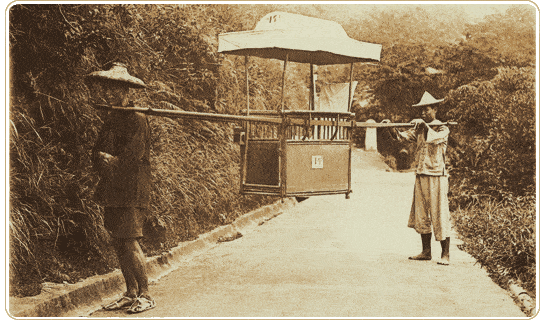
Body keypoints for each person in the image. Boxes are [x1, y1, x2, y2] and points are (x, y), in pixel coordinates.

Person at [86, 62, 156, 313]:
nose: (110, 93)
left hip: (133, 187)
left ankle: (146, 294)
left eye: (116, 89)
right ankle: (130, 291)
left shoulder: (138, 118)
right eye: (108, 89)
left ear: (128, 92)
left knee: (130, 241)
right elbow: (96, 150)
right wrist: (101, 158)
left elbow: (135, 155)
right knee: (118, 241)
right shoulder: (111, 117)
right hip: (113, 187)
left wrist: (113, 160)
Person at [382, 91, 451, 266]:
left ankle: (445, 254)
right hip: (421, 173)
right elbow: (401, 137)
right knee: (421, 214)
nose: (423, 114)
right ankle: (426, 251)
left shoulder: (442, 128)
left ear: (435, 109)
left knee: (439, 213)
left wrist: (424, 125)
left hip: (436, 175)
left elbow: (434, 139)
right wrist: (390, 126)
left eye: (426, 110)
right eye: (421, 111)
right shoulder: (420, 129)